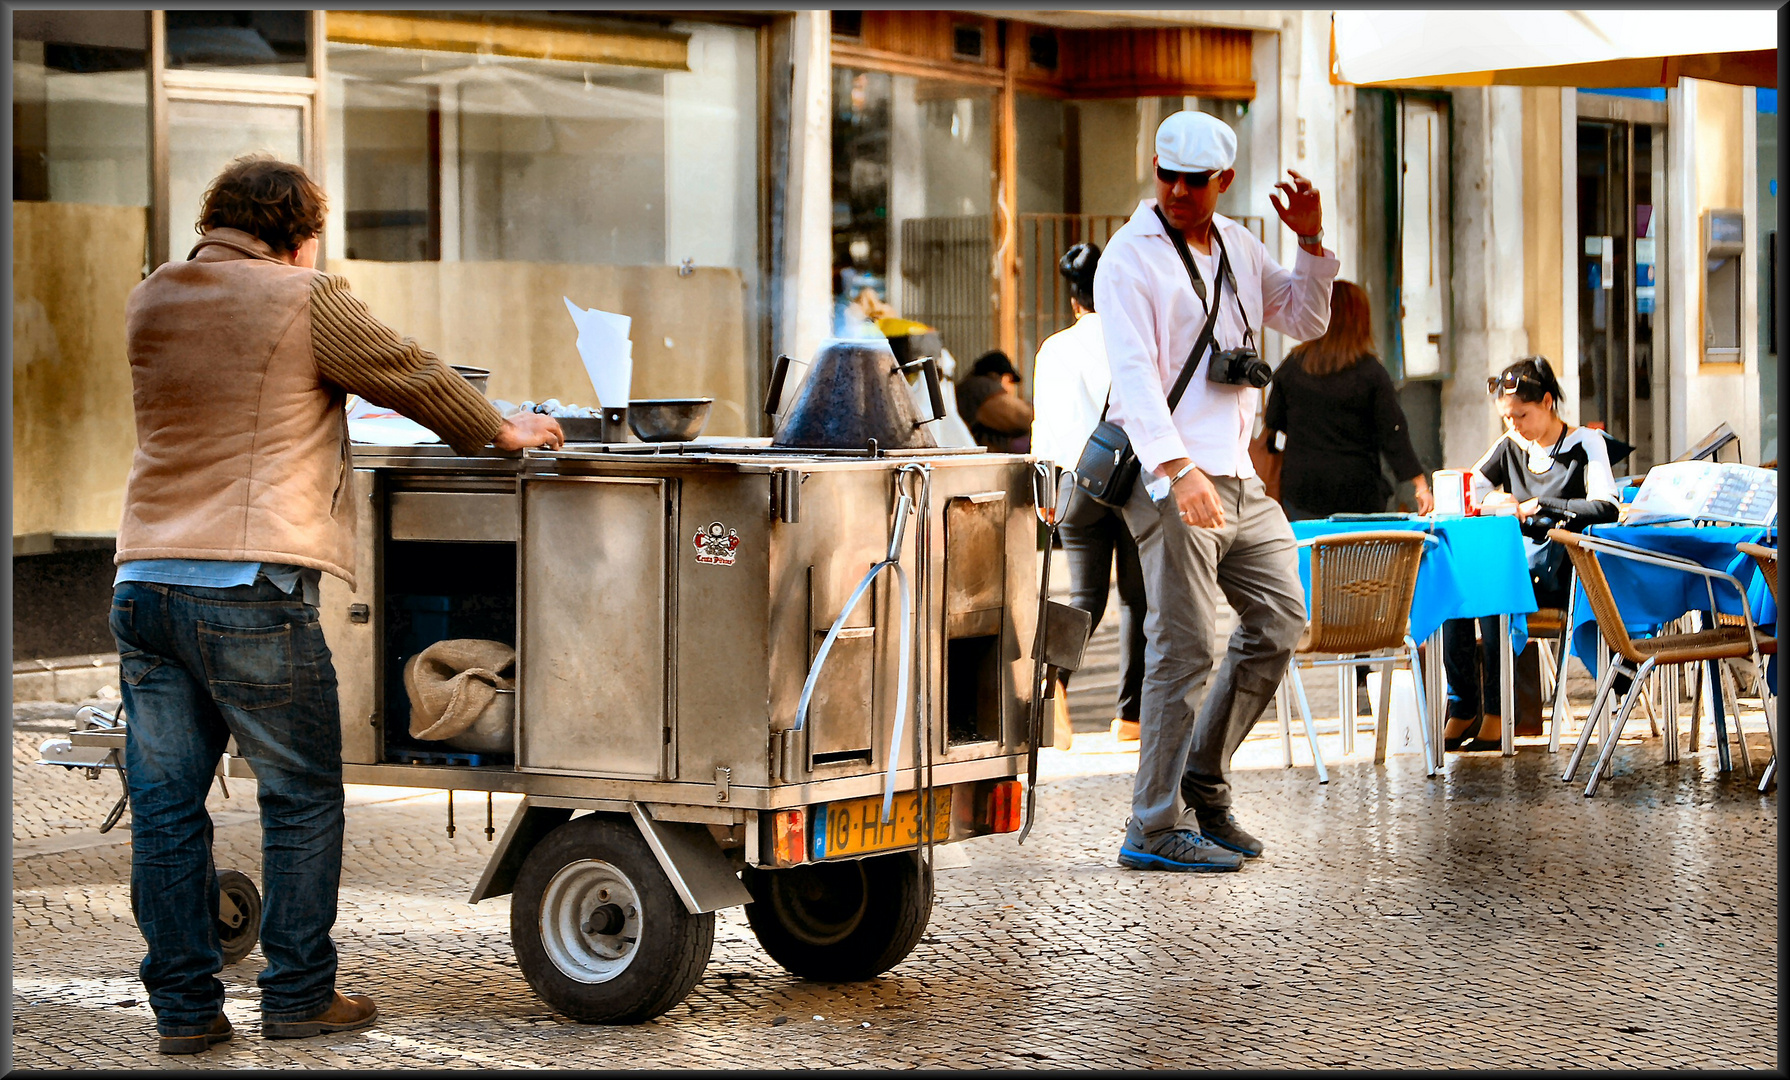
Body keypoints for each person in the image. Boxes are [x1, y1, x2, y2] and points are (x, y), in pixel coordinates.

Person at [112, 155, 562, 1055]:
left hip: (145, 579)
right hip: (249, 587)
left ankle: (185, 1013)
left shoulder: (152, 294)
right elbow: (409, 372)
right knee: (301, 795)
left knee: (167, 809)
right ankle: (299, 995)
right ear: (297, 231)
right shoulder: (301, 295)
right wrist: (501, 427)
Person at [1097, 109, 1338, 872]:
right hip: (1172, 477)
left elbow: (1303, 317)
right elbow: (1133, 380)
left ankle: (1203, 773)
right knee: (1186, 644)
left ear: (1223, 182)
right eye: (1166, 174)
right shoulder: (1129, 258)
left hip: (1236, 474)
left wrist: (1308, 243)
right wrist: (1177, 471)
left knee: (1281, 622)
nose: (1175, 190)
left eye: (1193, 181)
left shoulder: (1238, 242)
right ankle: (1153, 823)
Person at [1443, 356, 1619, 751]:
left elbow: (1606, 506)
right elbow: (1472, 489)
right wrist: (1497, 499)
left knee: (1491, 588)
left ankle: (1496, 712)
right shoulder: (1511, 445)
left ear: (1547, 403)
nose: (1514, 425)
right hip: (1517, 565)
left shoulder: (1584, 443)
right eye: (1507, 418)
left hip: (1563, 571)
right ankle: (1463, 704)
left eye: (1521, 415)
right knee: (1455, 584)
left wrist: (1542, 504)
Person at [1030, 242, 1148, 745]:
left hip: (1076, 484)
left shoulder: (1054, 348)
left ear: (1074, 300)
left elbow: (1045, 427)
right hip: (1133, 481)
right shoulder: (1133, 339)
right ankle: (1130, 717)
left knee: (1085, 599)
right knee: (1137, 600)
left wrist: (1046, 487)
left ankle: (1052, 685)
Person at [1263, 279, 1434, 520]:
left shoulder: (1293, 365)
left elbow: (1273, 423)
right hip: (1357, 490)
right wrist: (1420, 485)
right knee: (1355, 556)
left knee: (1306, 551)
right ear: (1360, 320)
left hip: (1302, 488)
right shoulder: (1370, 372)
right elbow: (1393, 433)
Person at [956, 350, 1034, 453]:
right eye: (1009, 381)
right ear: (999, 376)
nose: (1010, 389)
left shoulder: (971, 387)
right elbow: (1021, 417)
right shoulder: (983, 388)